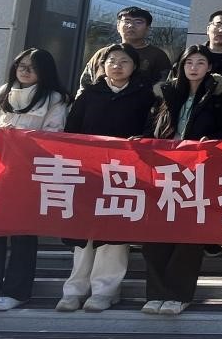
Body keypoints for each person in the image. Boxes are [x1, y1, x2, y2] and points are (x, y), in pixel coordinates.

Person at [0, 49, 69, 313]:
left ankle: (16, 292)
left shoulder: (55, 99)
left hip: (27, 173)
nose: (25, 71)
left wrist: (18, 136)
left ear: (45, 71)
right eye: (21, 65)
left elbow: (54, 134)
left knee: (23, 236)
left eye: (32, 67)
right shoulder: (0, 94)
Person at [57, 43, 155, 313]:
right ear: (102, 65)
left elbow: (151, 132)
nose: (117, 66)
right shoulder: (90, 94)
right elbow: (71, 131)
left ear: (134, 66)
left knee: (114, 235)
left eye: (124, 61)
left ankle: (105, 291)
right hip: (89, 174)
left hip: (125, 175)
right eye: (112, 60)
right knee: (83, 235)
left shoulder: (145, 96)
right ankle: (74, 290)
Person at [143, 45, 222, 316]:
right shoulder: (166, 95)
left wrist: (213, 142)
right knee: (155, 234)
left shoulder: (220, 98)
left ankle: (178, 295)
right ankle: (155, 293)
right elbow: (150, 129)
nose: (194, 68)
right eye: (189, 63)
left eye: (200, 63)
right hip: (163, 171)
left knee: (188, 236)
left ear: (209, 67)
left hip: (200, 173)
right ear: (181, 66)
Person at [78, 5, 172, 91]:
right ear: (118, 26)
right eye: (127, 21)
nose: (131, 25)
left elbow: (164, 88)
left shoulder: (158, 56)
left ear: (148, 29)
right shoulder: (102, 53)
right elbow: (84, 86)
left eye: (138, 22)